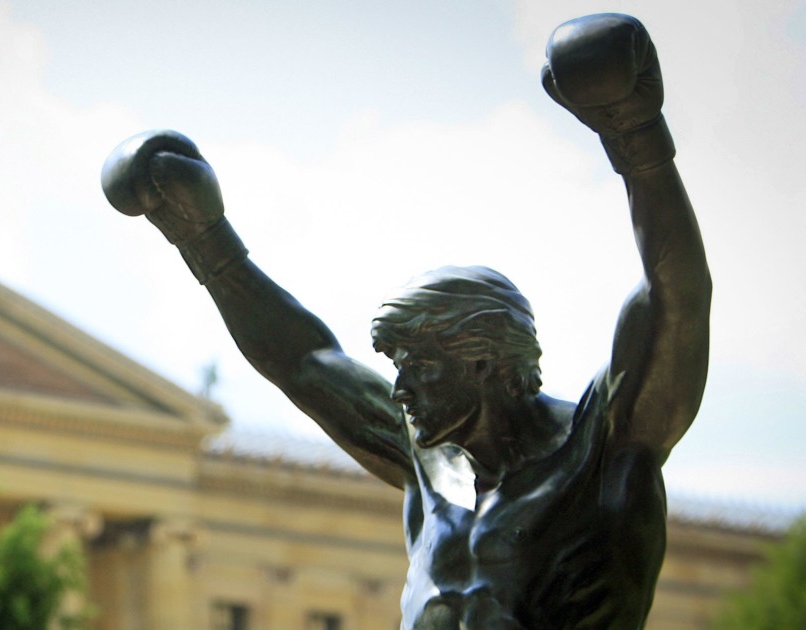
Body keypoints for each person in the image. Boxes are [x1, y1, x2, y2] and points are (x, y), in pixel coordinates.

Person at [100, 13, 709, 629]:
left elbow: (674, 296)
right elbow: (304, 363)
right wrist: (202, 239)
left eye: (418, 366)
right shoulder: (429, 460)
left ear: (481, 359)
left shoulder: (605, 447)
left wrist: (636, 136)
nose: (399, 388)